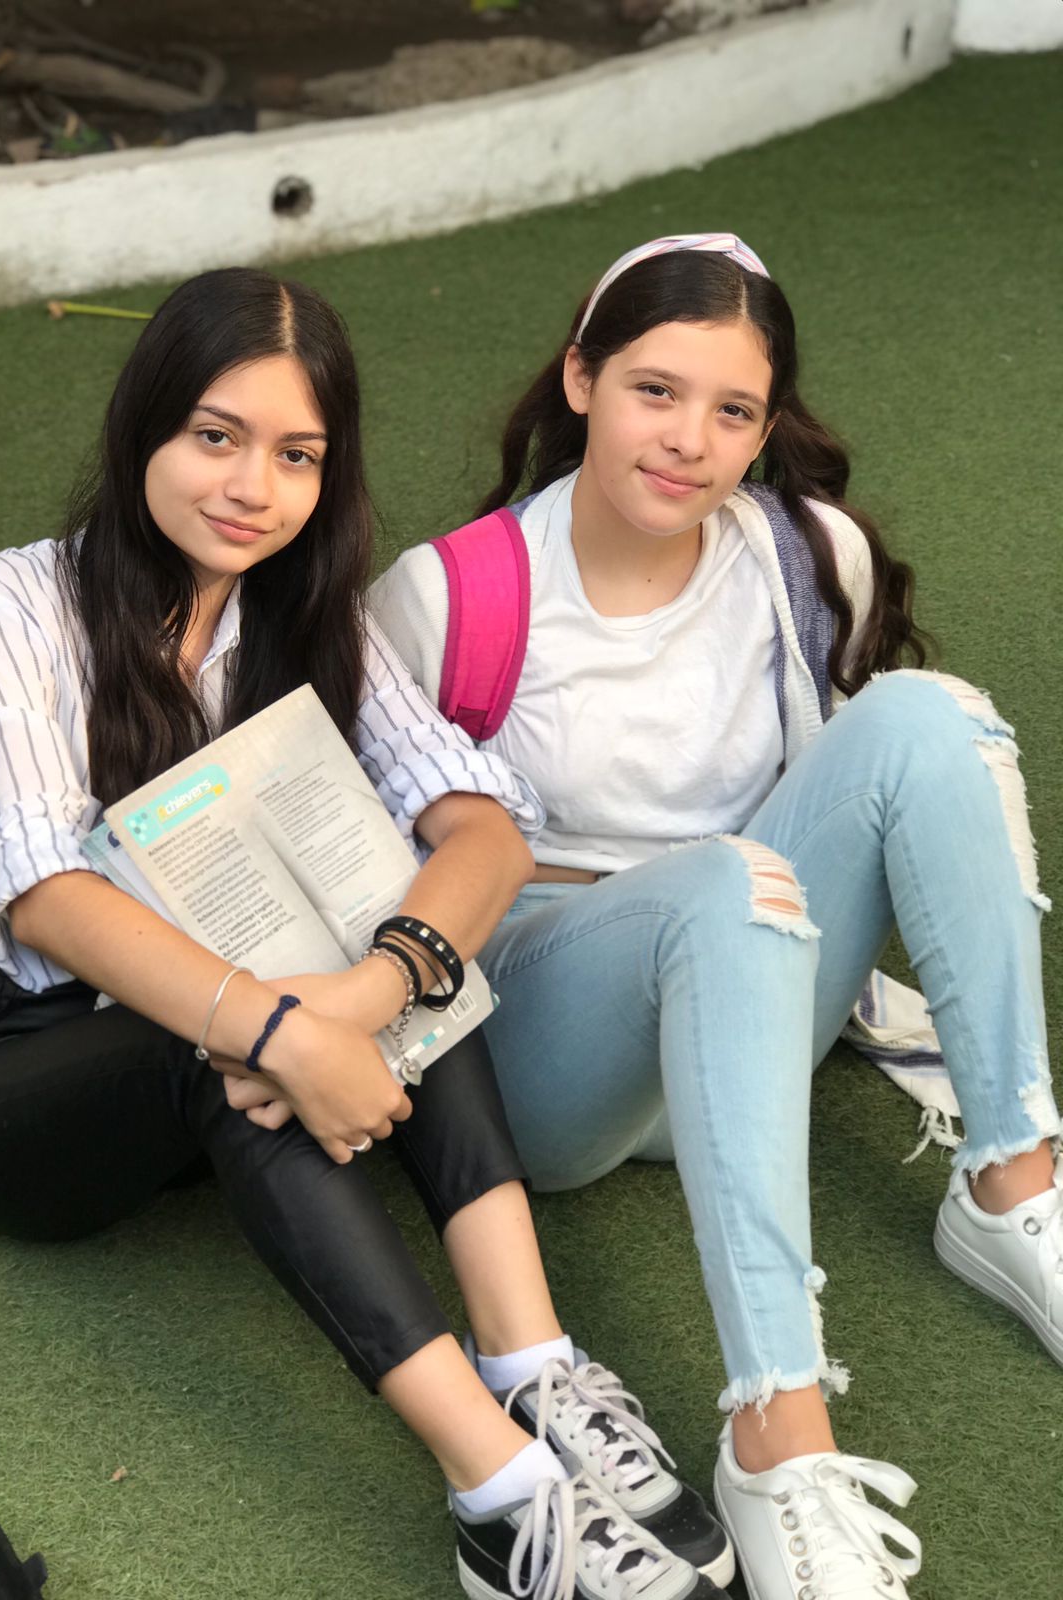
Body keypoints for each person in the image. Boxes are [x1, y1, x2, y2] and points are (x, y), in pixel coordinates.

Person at [0, 266, 737, 1600]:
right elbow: (42, 892)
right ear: (145, 426)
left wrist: (367, 994)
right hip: (16, 1075)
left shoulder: (307, 613)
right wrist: (288, 1031)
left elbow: (484, 832)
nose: (253, 487)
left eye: (296, 455)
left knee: (400, 924)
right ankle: (501, 1496)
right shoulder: (5, 605)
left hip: (257, 1014)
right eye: (216, 436)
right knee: (227, 1029)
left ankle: (535, 1364)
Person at [369, 233, 1062, 1600]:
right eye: (655, 390)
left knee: (930, 717)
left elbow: (858, 788)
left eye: (734, 410)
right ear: (581, 378)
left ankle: (1014, 1186)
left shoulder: (807, 554)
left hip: (755, 1013)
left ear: (767, 423)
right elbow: (372, 868)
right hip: (551, 1062)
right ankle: (777, 1443)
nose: (691, 441)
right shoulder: (449, 594)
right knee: (720, 878)